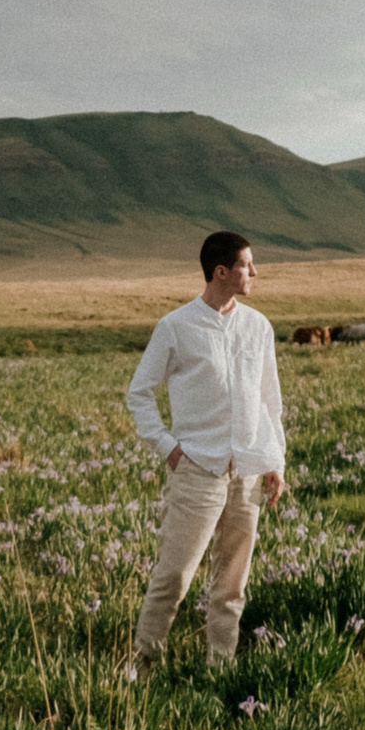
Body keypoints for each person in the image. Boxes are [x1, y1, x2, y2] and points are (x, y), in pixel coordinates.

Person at [121, 230, 287, 676]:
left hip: (248, 471)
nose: (254, 272)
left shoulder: (259, 327)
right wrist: (169, 448)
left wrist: (275, 462)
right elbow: (139, 394)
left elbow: (271, 402)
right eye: (247, 265)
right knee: (174, 576)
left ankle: (220, 670)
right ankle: (143, 665)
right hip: (197, 470)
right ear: (221, 272)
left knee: (232, 584)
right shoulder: (176, 326)